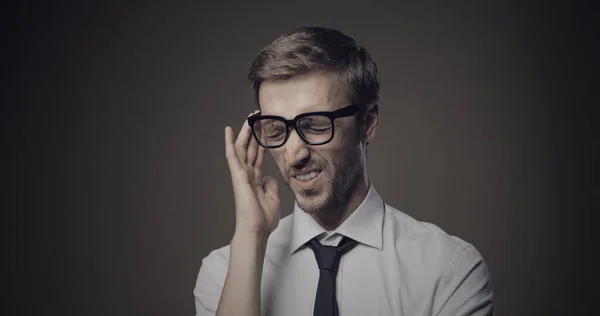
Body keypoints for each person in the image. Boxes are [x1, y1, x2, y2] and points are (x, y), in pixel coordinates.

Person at [193, 26, 494, 316]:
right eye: (275, 129)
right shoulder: (224, 273)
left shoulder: (448, 271)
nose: (294, 155)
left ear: (368, 122)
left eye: (315, 124)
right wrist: (250, 235)